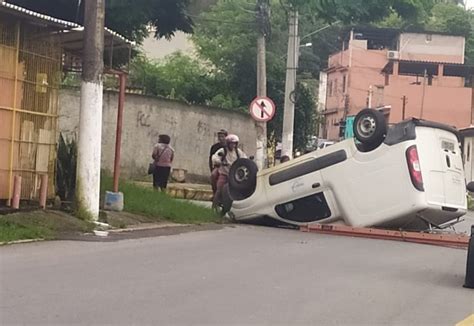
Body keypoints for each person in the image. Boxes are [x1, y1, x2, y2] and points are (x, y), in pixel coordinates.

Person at [211, 134, 247, 208]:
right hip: (224, 174)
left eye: (234, 143)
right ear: (228, 143)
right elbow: (214, 157)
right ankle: (213, 207)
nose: (233, 145)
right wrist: (219, 161)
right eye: (231, 143)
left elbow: (244, 158)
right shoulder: (223, 151)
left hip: (234, 176)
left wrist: (247, 162)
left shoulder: (238, 152)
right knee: (219, 190)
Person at [209, 129, 228, 196]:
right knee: (213, 175)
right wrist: (211, 169)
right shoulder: (215, 147)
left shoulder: (230, 147)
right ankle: (215, 193)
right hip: (219, 166)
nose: (221, 138)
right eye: (219, 137)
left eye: (222, 136)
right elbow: (211, 159)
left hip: (229, 167)